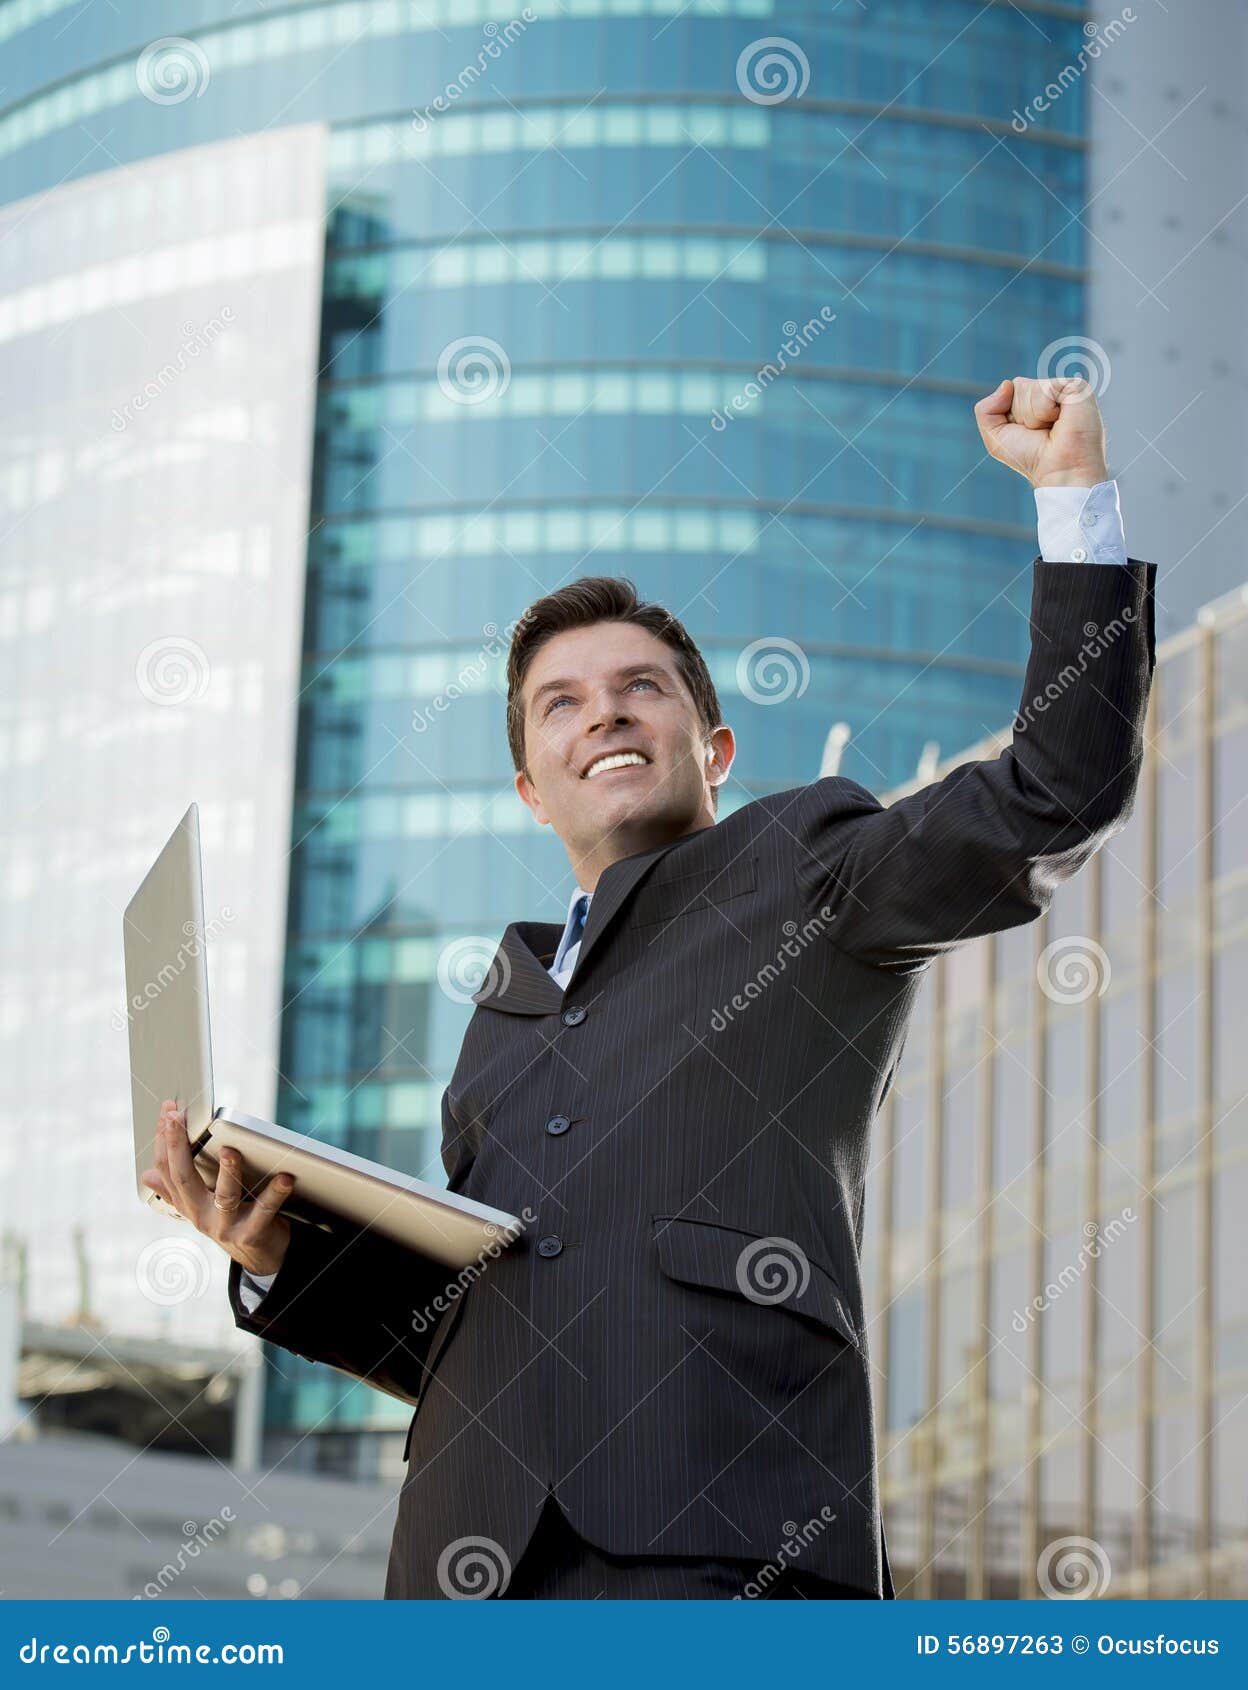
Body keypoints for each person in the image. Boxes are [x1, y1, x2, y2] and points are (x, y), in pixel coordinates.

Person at [144, 374, 1156, 1599]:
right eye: (558, 706)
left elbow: (1057, 787)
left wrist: (1071, 499)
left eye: (643, 689)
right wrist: (272, 1254)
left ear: (713, 748)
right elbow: (477, 1323)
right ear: (532, 786)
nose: (603, 715)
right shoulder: (500, 1016)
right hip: (470, 1571)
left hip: (728, 1538)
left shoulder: (806, 868)